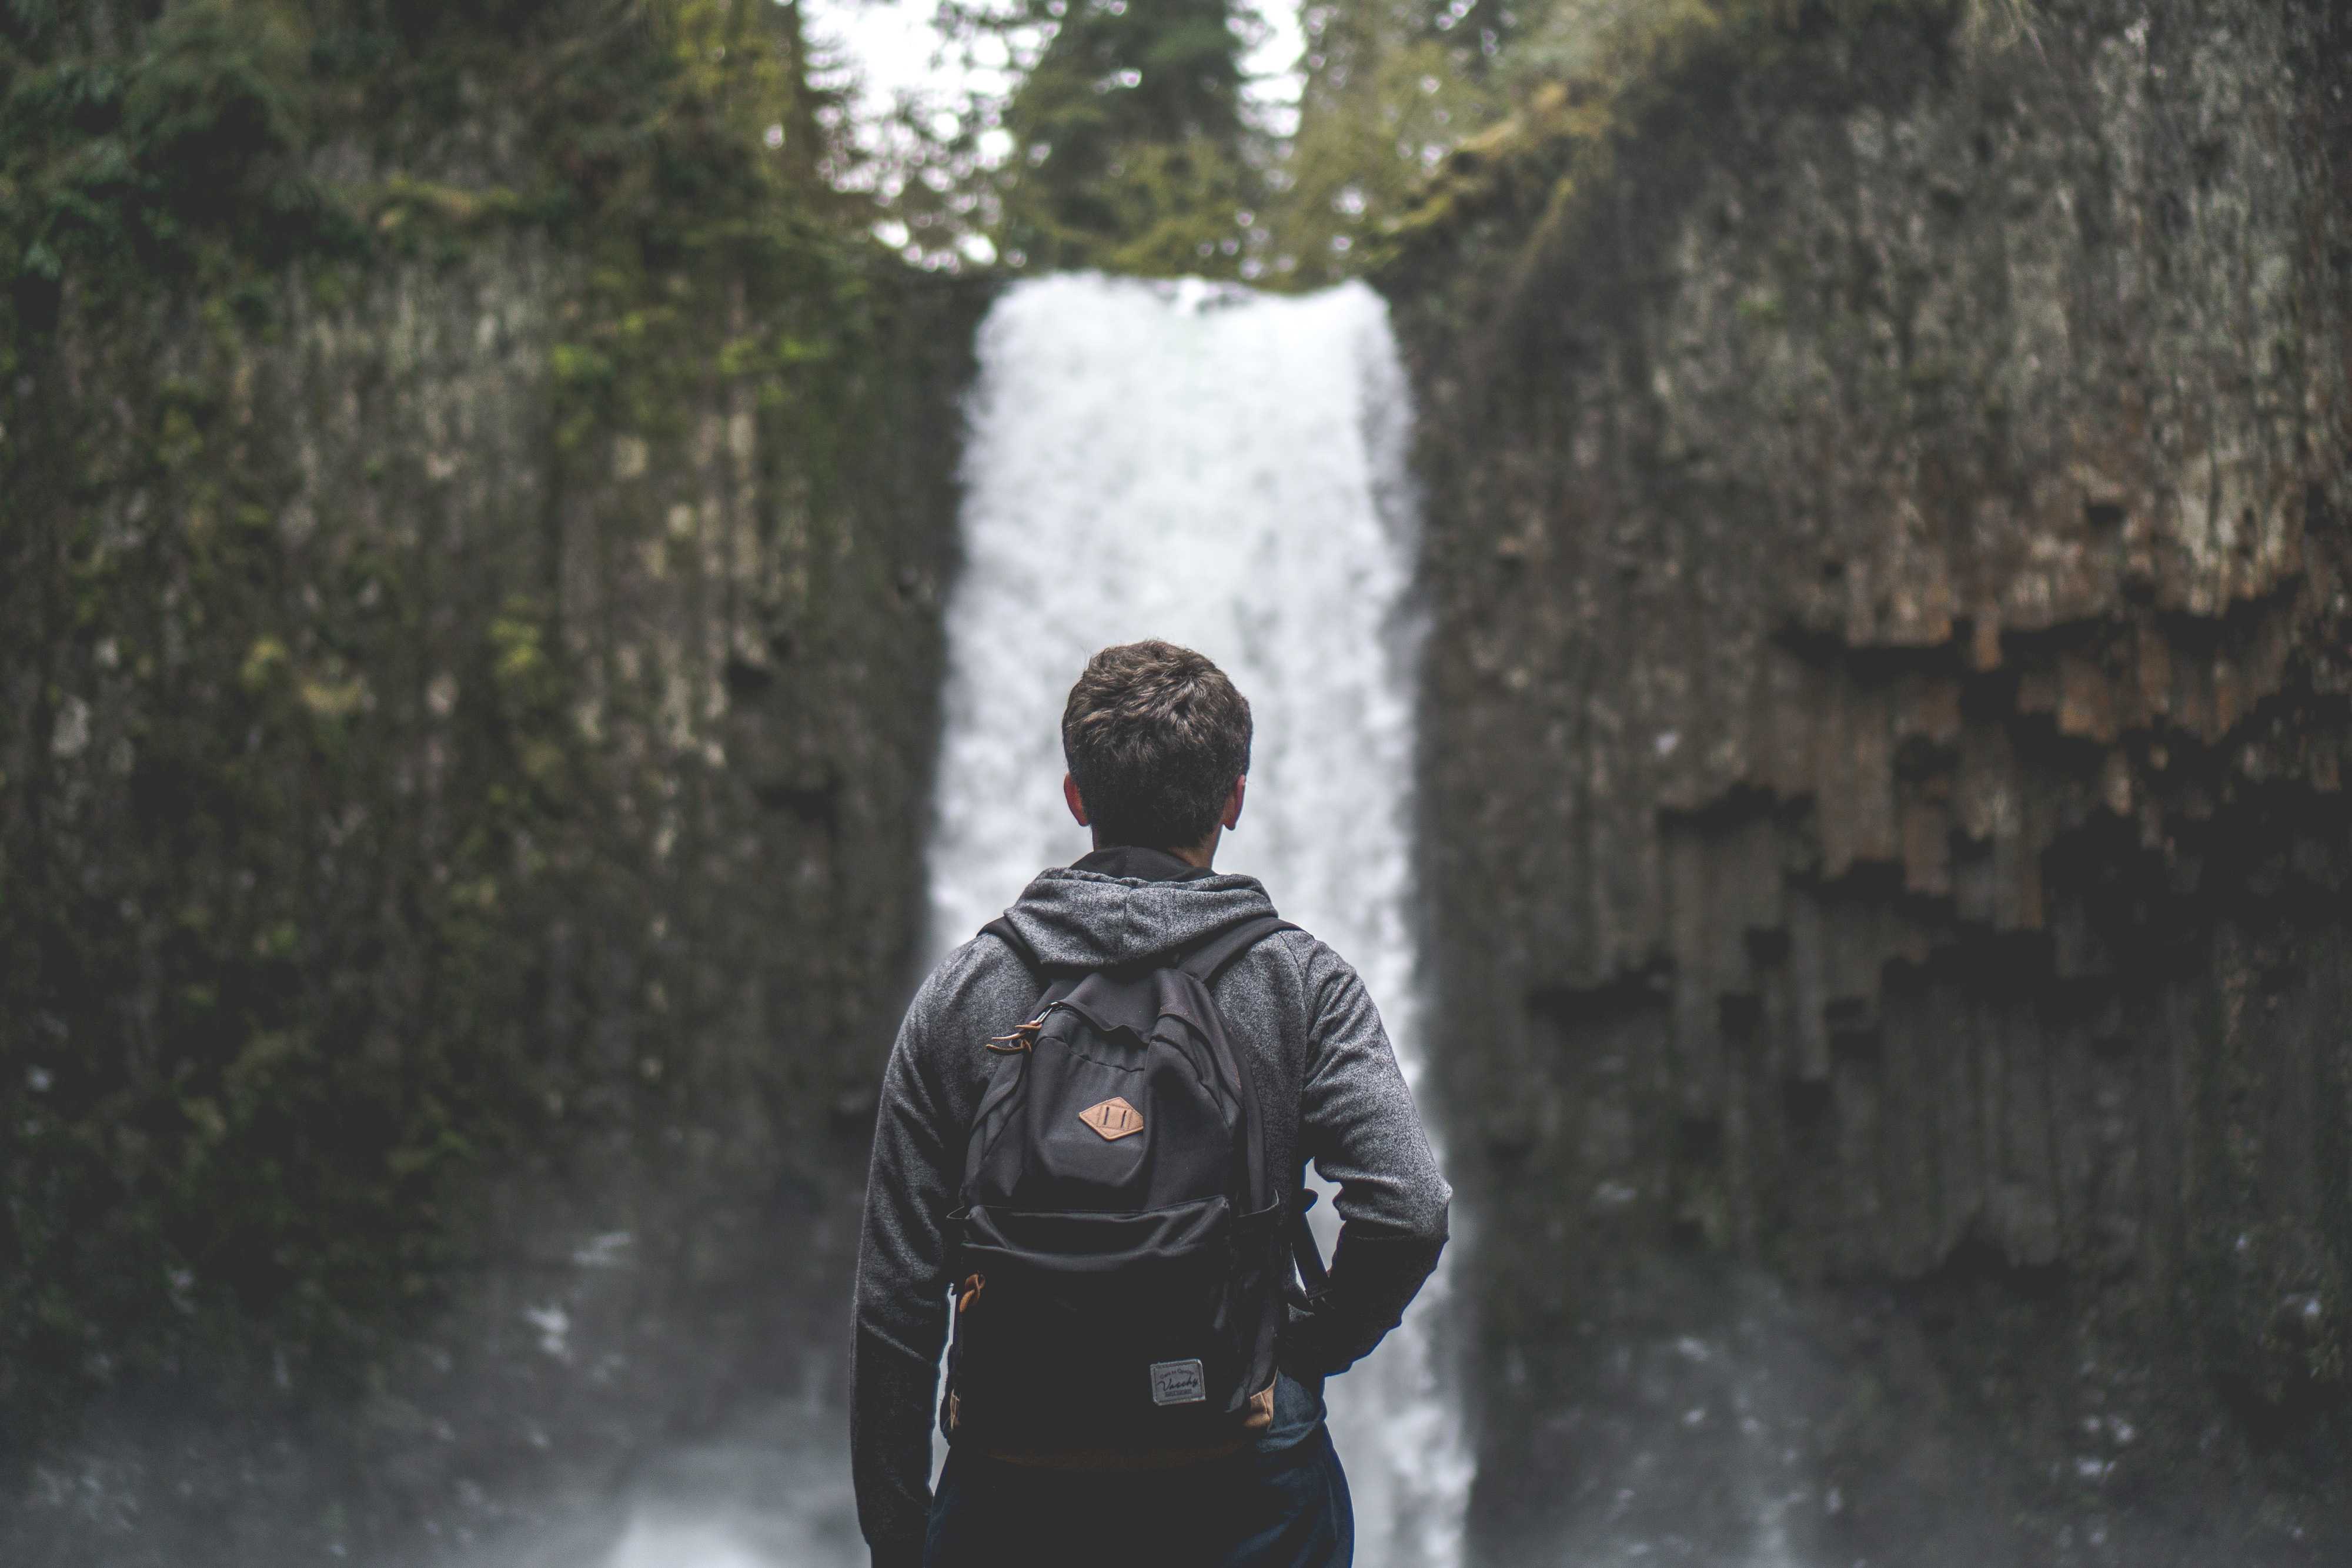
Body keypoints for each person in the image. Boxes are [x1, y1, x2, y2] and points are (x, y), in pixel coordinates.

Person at [850, 638, 1451, 1568]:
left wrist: (900, 1539)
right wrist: (1306, 1349)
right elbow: (1408, 1208)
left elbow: (896, 1297)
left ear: (1077, 797)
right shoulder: (1301, 982)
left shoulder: (968, 990)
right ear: (1234, 800)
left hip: (1015, 1474)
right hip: (1243, 1456)